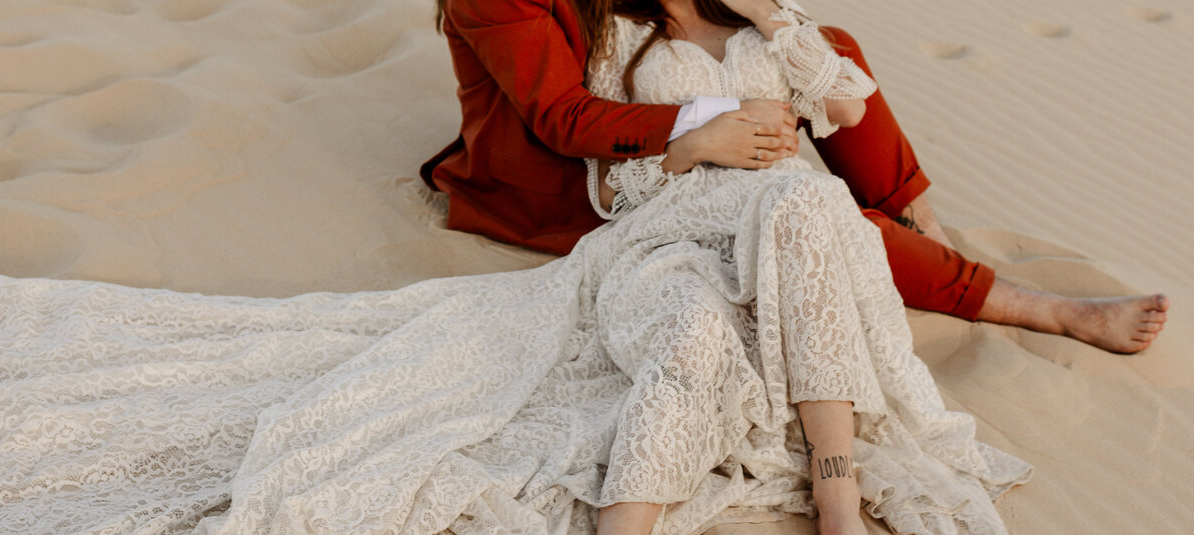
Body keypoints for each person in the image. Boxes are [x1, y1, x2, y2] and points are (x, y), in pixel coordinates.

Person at [423, 0, 1168, 353]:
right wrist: (715, 122)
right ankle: (1037, 308)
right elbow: (563, 120)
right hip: (566, 184)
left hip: (645, 119)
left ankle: (920, 220)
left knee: (828, 47)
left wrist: (771, 17)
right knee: (809, 210)